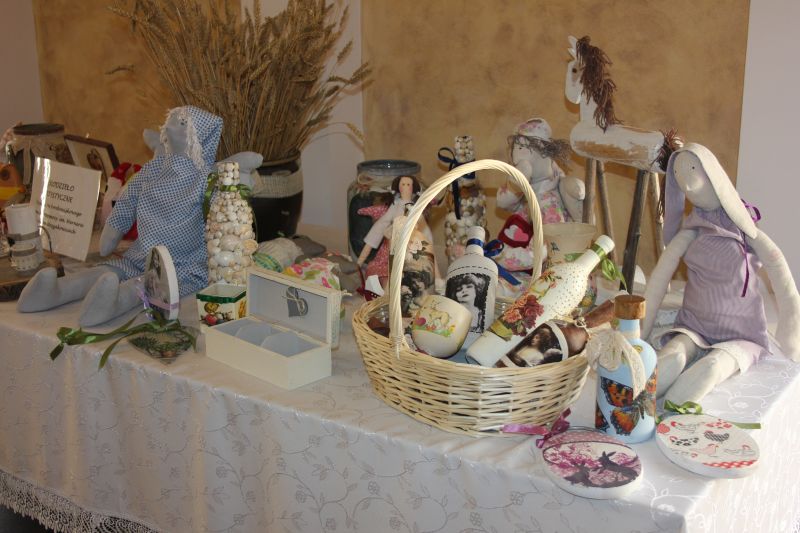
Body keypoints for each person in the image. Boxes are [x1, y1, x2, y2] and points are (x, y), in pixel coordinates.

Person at [642, 143, 800, 403]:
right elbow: (659, 279)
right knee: (675, 352)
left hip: (741, 333)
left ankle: (692, 387)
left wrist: (791, 326)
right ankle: (655, 383)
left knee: (716, 364)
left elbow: (778, 269)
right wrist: (642, 327)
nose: (687, 182)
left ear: (711, 173)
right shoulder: (692, 231)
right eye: (679, 175)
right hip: (695, 325)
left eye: (693, 170)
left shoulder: (745, 230)